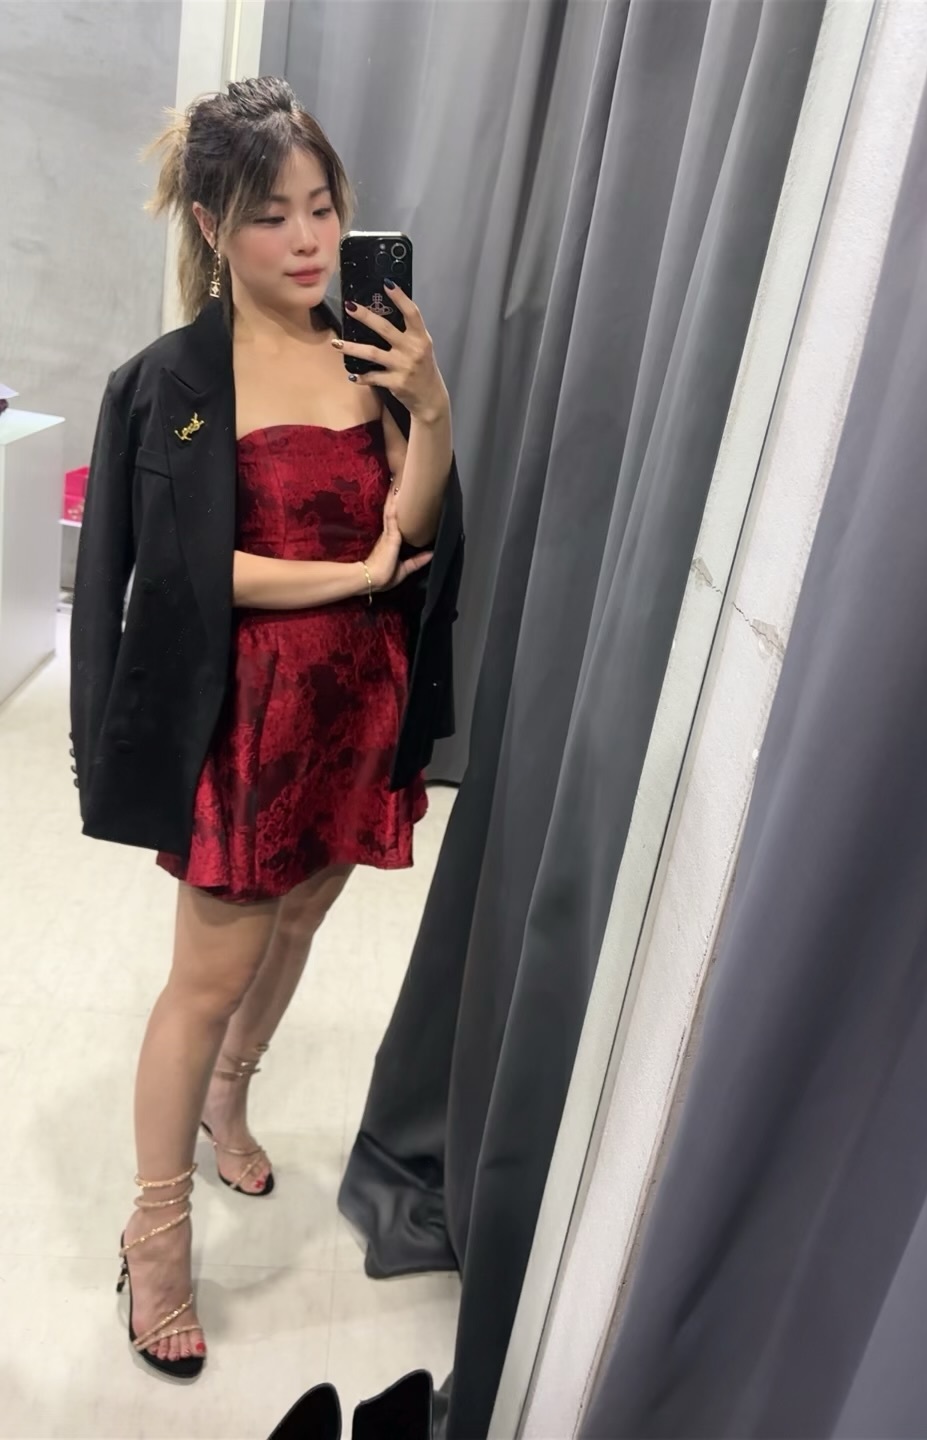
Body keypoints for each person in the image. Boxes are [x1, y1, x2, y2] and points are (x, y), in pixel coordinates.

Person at [69, 76, 463, 1381]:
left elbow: (414, 527)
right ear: (210, 224)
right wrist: (351, 577)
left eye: (322, 206)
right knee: (206, 977)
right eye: (270, 214)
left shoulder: (368, 349)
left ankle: (233, 1093)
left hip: (356, 706)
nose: (307, 240)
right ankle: (156, 1233)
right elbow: (189, 573)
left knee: (303, 918)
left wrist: (430, 408)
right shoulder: (171, 384)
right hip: (243, 719)